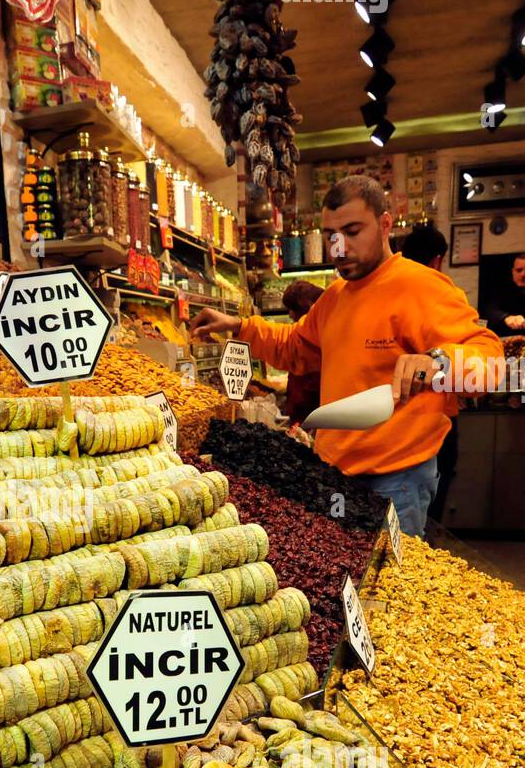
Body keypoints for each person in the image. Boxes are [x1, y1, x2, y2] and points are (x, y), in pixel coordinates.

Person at [190, 175, 504, 537]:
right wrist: (239, 326)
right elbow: (294, 348)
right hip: (334, 473)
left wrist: (438, 362)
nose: (338, 247)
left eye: (353, 231)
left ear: (385, 224)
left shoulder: (421, 287)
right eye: (330, 234)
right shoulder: (335, 298)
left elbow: (490, 361)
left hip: (396, 480)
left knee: (387, 587)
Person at [399, 224, 458, 524]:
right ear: (438, 260)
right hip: (428, 427)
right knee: (420, 519)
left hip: (391, 434)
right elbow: (480, 356)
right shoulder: (439, 291)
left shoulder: (386, 289)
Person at [280, 280, 324, 425]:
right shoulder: (303, 333)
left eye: (294, 309)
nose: (291, 315)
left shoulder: (319, 336)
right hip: (303, 416)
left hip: (314, 419)